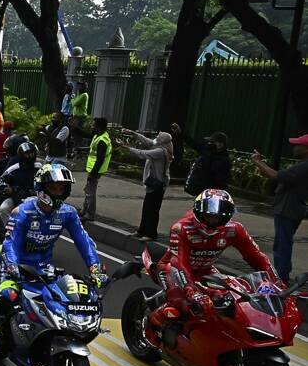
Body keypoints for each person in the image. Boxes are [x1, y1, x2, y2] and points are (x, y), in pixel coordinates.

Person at [0, 164, 107, 349]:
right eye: (52, 188)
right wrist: (12, 267)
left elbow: (85, 243)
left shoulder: (68, 213)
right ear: (41, 188)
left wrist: (95, 269)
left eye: (61, 189)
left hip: (42, 266)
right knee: (9, 295)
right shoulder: (22, 212)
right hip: (12, 262)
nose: (57, 193)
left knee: (60, 300)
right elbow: (10, 244)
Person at [149, 190, 278, 331]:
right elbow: (179, 263)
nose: (212, 221)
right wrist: (191, 291)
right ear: (198, 212)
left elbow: (256, 256)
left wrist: (276, 282)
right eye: (208, 216)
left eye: (217, 218)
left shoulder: (235, 229)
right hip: (171, 268)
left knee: (227, 299)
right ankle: (152, 323)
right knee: (183, 303)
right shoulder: (181, 229)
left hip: (205, 269)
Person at [250, 134, 308, 284]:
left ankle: (281, 278)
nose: (295, 148)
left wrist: (257, 162)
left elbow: (276, 176)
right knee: (283, 242)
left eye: (298, 145)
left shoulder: (304, 167)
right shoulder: (302, 166)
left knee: (282, 244)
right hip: (292, 208)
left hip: (288, 210)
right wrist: (262, 164)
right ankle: (281, 275)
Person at [122, 130, 174, 241]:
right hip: (154, 182)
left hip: (158, 184)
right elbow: (147, 141)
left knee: (152, 210)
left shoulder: (160, 151)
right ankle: (142, 230)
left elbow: (143, 153)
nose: (156, 138)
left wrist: (127, 148)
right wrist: (133, 134)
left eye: (158, 137)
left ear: (162, 141)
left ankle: (151, 234)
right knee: (147, 208)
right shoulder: (161, 146)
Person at [0, 141, 38, 223]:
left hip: (35, 198)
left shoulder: (40, 167)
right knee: (4, 208)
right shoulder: (14, 168)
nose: (30, 156)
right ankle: (9, 231)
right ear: (21, 154)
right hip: (16, 197)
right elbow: (0, 180)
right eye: (27, 154)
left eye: (32, 153)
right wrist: (8, 188)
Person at [177, 125, 231, 195]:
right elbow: (194, 144)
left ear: (220, 144)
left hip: (212, 192)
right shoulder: (207, 151)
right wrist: (181, 134)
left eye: (212, 142)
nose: (210, 143)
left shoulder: (224, 160)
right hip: (199, 189)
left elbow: (221, 179)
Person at [78, 117, 112, 222]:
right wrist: (75, 129)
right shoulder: (98, 135)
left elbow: (100, 159)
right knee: (88, 189)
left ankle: (90, 214)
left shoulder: (102, 140)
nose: (92, 126)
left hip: (96, 170)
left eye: (93, 125)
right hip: (93, 169)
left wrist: (93, 173)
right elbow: (87, 135)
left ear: (99, 127)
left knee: (90, 192)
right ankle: (84, 210)